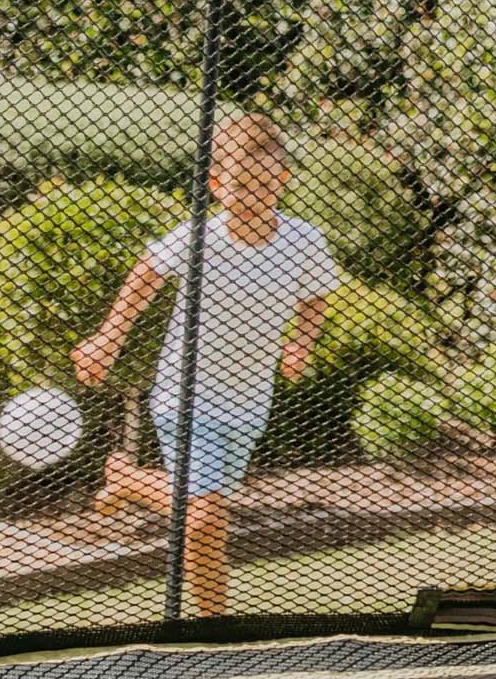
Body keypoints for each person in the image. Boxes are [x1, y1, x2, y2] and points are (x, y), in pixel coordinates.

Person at [73, 113, 337, 619]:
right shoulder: (199, 236)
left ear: (283, 179)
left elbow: (316, 297)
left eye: (266, 182)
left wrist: (301, 345)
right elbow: (145, 276)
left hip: (248, 405)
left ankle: (130, 480)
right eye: (242, 184)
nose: (255, 193)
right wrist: (108, 340)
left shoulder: (304, 241)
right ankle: (213, 627)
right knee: (205, 517)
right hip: (185, 396)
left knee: (205, 516)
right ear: (217, 185)